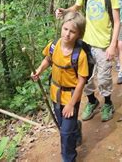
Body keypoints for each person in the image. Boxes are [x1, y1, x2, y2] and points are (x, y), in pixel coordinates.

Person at [56, 0, 120, 122]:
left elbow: (117, 22)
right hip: (86, 43)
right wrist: (64, 11)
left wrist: (113, 45)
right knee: (85, 76)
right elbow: (77, 7)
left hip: (103, 44)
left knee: (104, 77)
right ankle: (92, 101)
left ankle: (108, 103)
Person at [31, 11, 88, 162]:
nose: (67, 34)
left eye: (72, 31)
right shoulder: (53, 46)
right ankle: (76, 128)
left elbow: (81, 81)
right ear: (61, 27)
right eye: (65, 29)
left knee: (64, 133)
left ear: (79, 35)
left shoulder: (79, 55)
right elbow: (48, 60)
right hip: (55, 94)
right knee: (63, 125)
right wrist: (38, 71)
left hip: (71, 97)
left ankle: (69, 158)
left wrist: (71, 104)